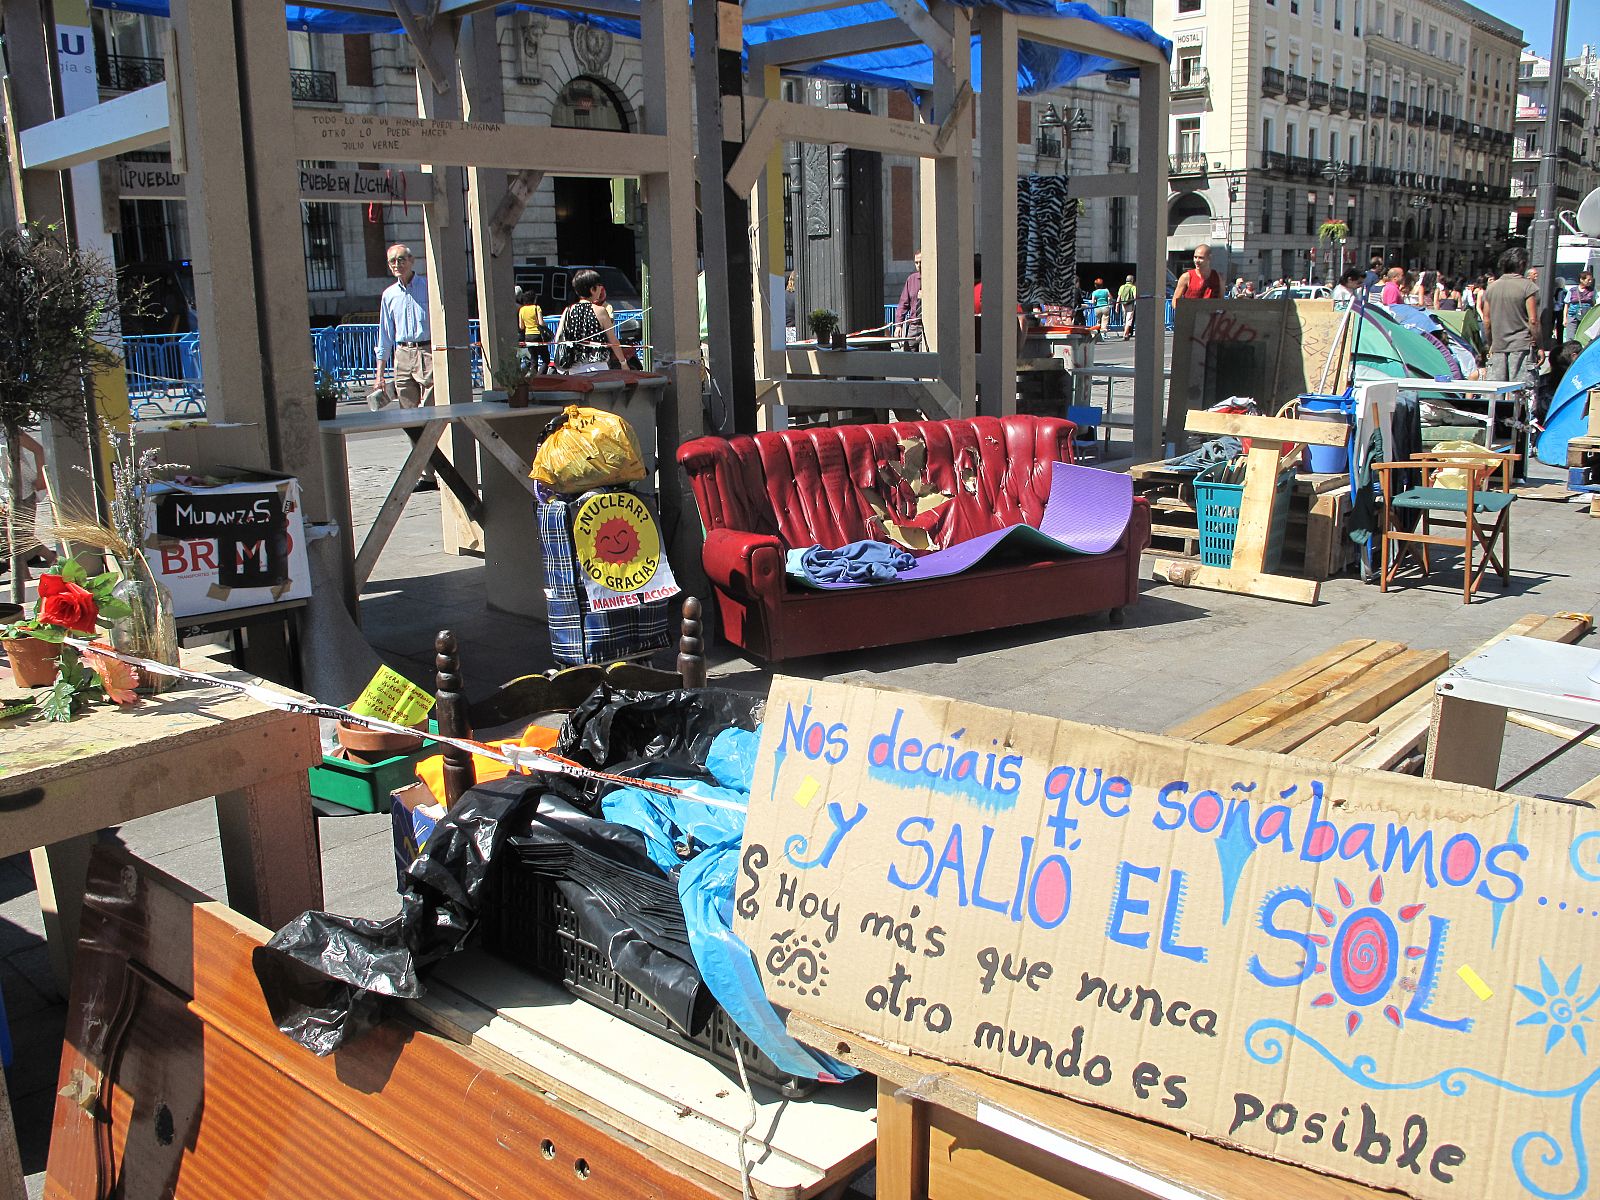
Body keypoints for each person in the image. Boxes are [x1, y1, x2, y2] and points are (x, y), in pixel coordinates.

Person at [375, 243, 437, 490]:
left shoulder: (427, 287)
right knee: (409, 418)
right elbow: (384, 336)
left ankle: (439, 463)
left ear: (412, 261)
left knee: (433, 413)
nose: (397, 265)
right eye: (392, 261)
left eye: (401, 260)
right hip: (403, 353)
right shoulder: (389, 295)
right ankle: (427, 474)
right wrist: (379, 374)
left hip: (428, 351)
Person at [1479, 247, 1540, 387]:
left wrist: (1491, 343)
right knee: (1521, 391)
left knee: (1494, 391)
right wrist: (1539, 345)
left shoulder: (1492, 287)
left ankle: (1496, 410)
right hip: (1521, 345)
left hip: (1498, 344)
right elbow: (1533, 320)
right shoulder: (1528, 286)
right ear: (1522, 264)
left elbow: (1486, 321)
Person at [557, 268, 637, 371]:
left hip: (574, 367)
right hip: (597, 366)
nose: (601, 289)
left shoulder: (568, 311)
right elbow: (613, 340)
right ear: (592, 289)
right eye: (599, 286)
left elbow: (558, 337)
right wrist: (623, 362)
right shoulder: (600, 311)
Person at [517, 287, 550, 374]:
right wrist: (546, 327)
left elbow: (521, 326)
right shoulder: (537, 308)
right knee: (546, 359)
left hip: (528, 337)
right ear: (534, 299)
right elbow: (541, 323)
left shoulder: (522, 310)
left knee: (533, 360)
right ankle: (541, 376)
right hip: (538, 335)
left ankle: (533, 379)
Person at [894, 251, 923, 350]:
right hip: (914, 326)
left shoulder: (934, 279)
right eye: (916, 263)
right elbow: (903, 303)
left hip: (927, 326)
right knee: (909, 355)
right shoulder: (911, 280)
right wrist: (899, 325)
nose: (919, 265)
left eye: (921, 262)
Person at [1565, 270, 1595, 341]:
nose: (1590, 281)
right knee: (1570, 336)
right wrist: (1565, 318)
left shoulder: (1592, 291)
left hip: (1587, 317)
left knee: (1586, 337)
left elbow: (1595, 303)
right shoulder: (1572, 290)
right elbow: (1567, 305)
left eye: (1591, 280)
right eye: (1588, 280)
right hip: (1573, 315)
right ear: (1582, 280)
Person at [1117, 274, 1138, 339]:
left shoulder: (1122, 287)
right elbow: (1135, 297)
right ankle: (1125, 334)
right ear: (1132, 280)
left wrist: (1117, 305)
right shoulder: (1133, 287)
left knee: (1124, 319)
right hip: (1130, 304)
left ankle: (1125, 332)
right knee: (1129, 319)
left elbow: (1119, 297)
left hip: (1123, 304)